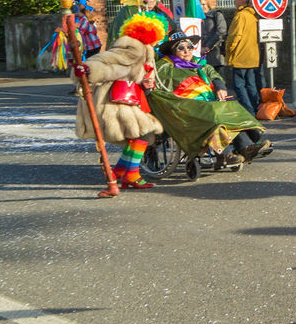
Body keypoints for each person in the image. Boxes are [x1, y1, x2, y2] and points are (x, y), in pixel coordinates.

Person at [148, 29, 272, 165]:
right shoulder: (164, 67)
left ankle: (246, 147)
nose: (187, 51)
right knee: (214, 115)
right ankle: (226, 154)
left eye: (189, 46)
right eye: (181, 48)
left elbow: (213, 74)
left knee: (230, 108)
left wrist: (220, 87)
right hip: (185, 107)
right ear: (172, 51)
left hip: (207, 102)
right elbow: (157, 91)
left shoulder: (197, 63)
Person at [74, 12, 167, 193]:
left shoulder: (145, 48)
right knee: (143, 133)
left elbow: (144, 73)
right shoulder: (133, 47)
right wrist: (88, 69)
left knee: (139, 135)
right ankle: (131, 175)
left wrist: (148, 81)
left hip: (133, 97)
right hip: (118, 100)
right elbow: (109, 63)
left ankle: (120, 170)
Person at [225, 0, 261, 115]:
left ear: (242, 1)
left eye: (236, 0)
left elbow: (235, 35)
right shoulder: (252, 16)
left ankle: (248, 110)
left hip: (240, 55)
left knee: (239, 85)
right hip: (251, 55)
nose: (235, 2)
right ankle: (256, 107)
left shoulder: (240, 16)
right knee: (251, 84)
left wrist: (229, 49)